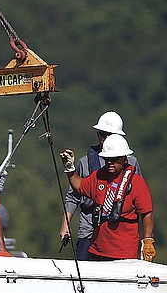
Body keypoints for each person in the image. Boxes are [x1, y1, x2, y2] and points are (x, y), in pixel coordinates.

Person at [60, 111, 142, 260]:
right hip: (89, 228)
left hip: (118, 233)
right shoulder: (85, 163)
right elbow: (73, 195)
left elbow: (141, 202)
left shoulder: (131, 163)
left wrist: (146, 238)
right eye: (101, 134)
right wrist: (65, 225)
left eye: (108, 135)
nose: (104, 139)